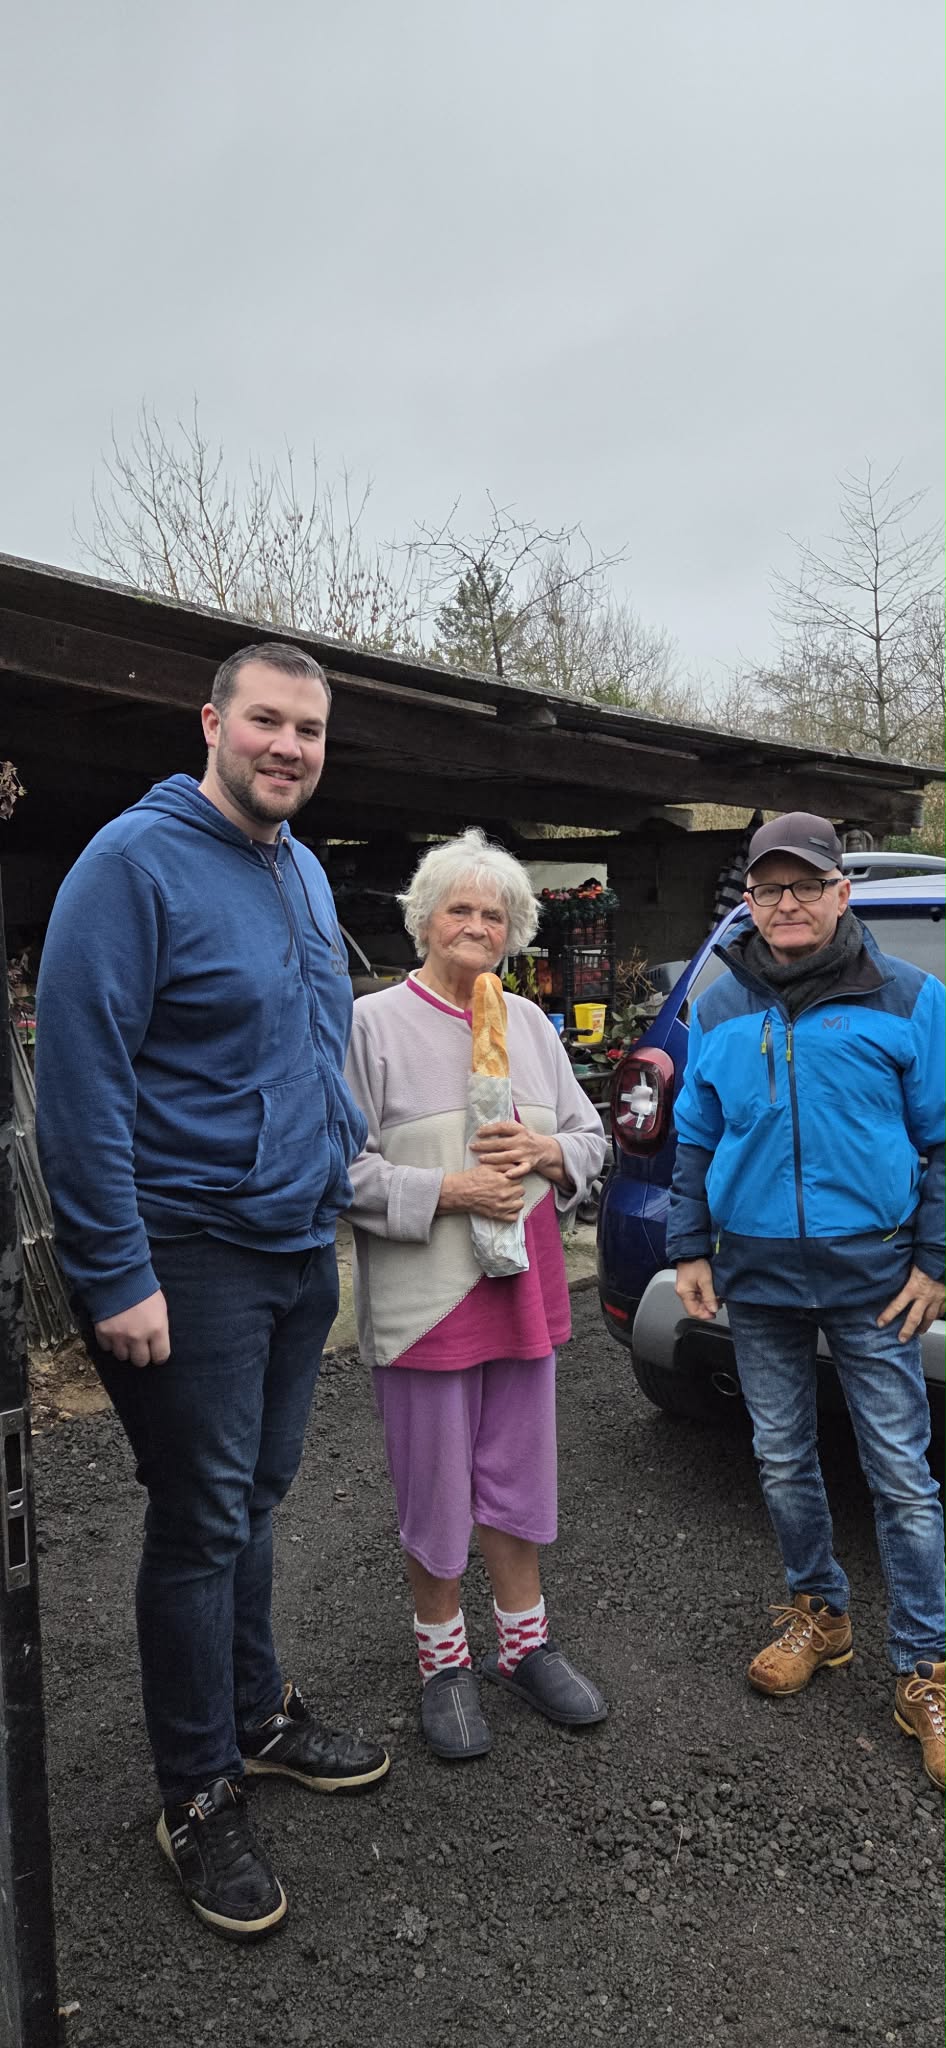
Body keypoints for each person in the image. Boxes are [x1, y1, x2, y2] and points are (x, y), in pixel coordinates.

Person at [35, 642, 389, 1941]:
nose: (288, 746)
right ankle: (195, 1790)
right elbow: (77, 1084)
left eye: (308, 728)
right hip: (183, 1257)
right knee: (197, 1519)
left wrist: (340, 1156)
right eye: (266, 721)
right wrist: (115, 1270)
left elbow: (308, 1033)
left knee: (256, 1494)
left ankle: (257, 1712)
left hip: (294, 1245)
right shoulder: (130, 869)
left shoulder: (297, 867)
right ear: (212, 724)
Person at [667, 810, 946, 1791]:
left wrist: (935, 1258)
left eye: (804, 885)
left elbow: (942, 1139)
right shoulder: (718, 1004)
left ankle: (925, 1667)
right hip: (757, 1277)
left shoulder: (912, 998)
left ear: (839, 892)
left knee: (901, 1476)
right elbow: (695, 1135)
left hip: (874, 1278)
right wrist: (687, 1242)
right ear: (747, 898)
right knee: (781, 1458)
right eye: (767, 887)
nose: (786, 902)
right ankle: (818, 1614)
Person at [344, 828, 609, 1761]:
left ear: (514, 932)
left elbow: (591, 1138)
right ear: (424, 919)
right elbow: (334, 1172)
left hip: (524, 1292)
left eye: (495, 914)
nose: (477, 925)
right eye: (459, 908)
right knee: (435, 1484)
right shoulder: (369, 1024)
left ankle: (524, 1646)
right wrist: (448, 1191)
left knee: (518, 1477)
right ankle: (442, 1660)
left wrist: (549, 1153)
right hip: (427, 1303)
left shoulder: (532, 1025)